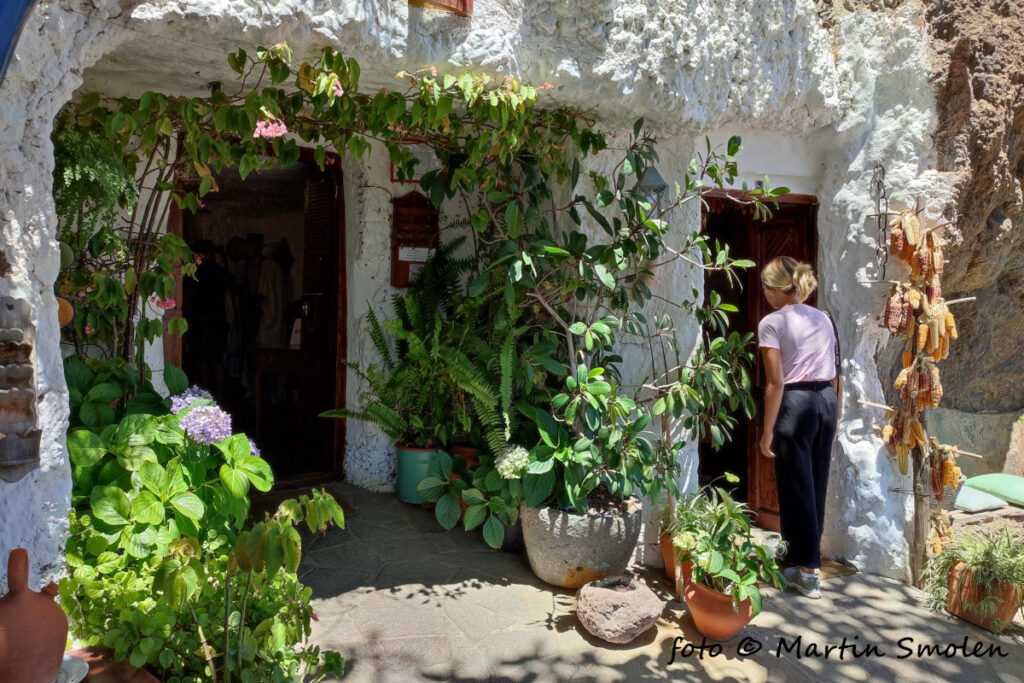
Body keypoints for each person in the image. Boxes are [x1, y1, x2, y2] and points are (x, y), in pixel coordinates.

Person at [757, 256, 842, 600]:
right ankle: (795, 561)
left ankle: (808, 572)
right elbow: (835, 372)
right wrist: (835, 417)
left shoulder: (771, 323)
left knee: (797, 486)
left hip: (795, 403)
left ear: (777, 289)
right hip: (825, 400)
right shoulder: (823, 318)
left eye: (765, 286)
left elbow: (775, 384)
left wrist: (767, 431)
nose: (763, 292)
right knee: (814, 483)